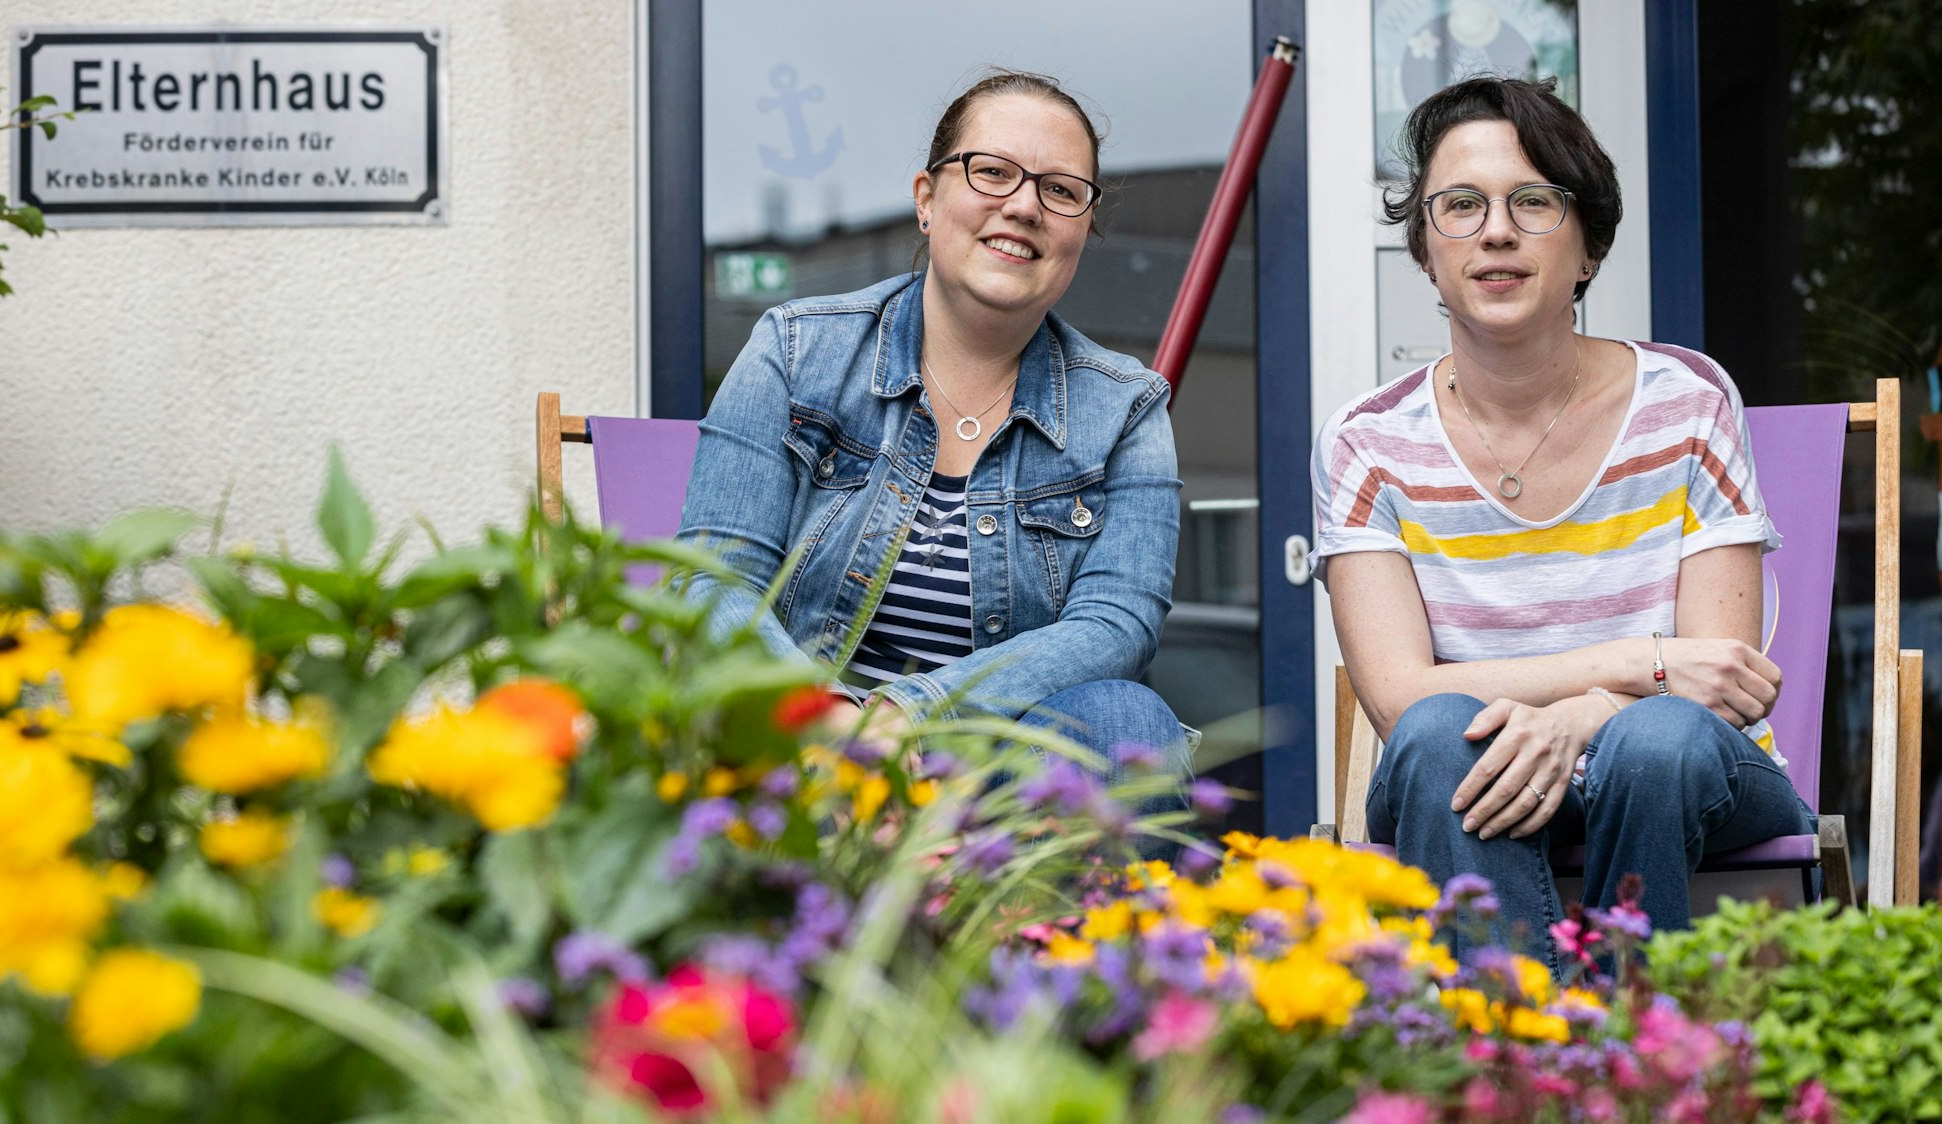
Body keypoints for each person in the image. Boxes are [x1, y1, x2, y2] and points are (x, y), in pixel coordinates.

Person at [1310, 76, 1809, 967]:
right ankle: (1524, 1059)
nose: (1495, 230)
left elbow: (1718, 681)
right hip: (1478, 771)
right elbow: (1399, 698)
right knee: (1431, 741)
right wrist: (1627, 664)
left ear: (1588, 246)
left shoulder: (1689, 402)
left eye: (1532, 201)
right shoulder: (1368, 441)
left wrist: (1585, 718)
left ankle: (1635, 1064)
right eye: (1459, 205)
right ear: (1426, 251)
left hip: (1691, 772)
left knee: (1653, 744)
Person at [677, 69, 1190, 801]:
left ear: (1083, 228)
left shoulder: (1126, 410)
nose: (1023, 206)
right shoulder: (795, 352)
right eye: (992, 172)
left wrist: (910, 715)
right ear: (926, 198)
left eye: (1061, 190)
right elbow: (712, 583)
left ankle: (1071, 922)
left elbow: (1116, 626)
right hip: (800, 754)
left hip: (999, 772)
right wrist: (833, 724)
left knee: (1124, 720)